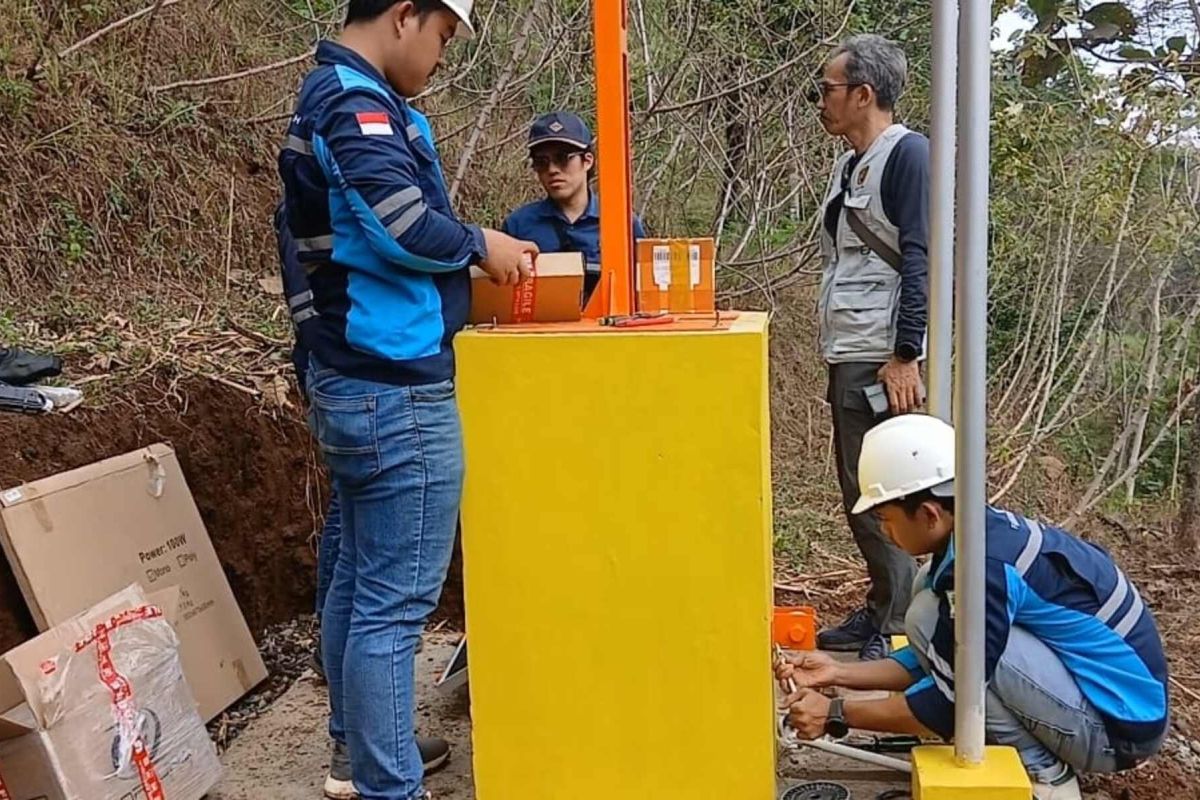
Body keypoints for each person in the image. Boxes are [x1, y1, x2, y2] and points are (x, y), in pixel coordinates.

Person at [276, 1, 538, 798]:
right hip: (391, 385)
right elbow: (400, 225)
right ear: (402, 16)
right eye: (444, 36)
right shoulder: (356, 105)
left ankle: (359, 749)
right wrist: (478, 246)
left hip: (352, 377)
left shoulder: (340, 96)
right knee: (391, 608)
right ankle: (388, 783)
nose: (443, 55)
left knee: (359, 576)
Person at [776, 414, 1170, 800]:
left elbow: (952, 704)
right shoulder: (977, 538)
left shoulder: (982, 573)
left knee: (971, 655)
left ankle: (1045, 779)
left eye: (885, 518)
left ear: (929, 513)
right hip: (1096, 703)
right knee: (932, 613)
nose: (884, 531)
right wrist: (839, 672)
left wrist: (835, 712)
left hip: (1118, 732)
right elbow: (938, 656)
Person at [810, 34, 930, 660]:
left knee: (888, 494)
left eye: (827, 90)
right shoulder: (851, 162)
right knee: (863, 490)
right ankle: (885, 609)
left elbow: (921, 255)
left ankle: (903, 633)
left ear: (863, 94)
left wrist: (906, 352)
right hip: (852, 347)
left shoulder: (907, 156)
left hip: (883, 357)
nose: (820, 101)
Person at [501, 111, 646, 305]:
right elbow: (503, 297)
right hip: (539, 333)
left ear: (587, 161)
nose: (552, 169)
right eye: (541, 162)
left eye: (562, 158)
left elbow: (644, 293)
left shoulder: (621, 223)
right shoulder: (518, 226)